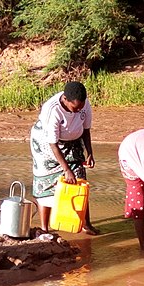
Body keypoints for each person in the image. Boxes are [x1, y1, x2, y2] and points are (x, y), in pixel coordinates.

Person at [30, 81, 100, 236]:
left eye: (81, 107)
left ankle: (86, 224)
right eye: (75, 108)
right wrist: (66, 169)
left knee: (80, 181)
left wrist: (90, 152)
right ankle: (45, 229)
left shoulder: (84, 103)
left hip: (74, 140)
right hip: (47, 145)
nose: (79, 111)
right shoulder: (52, 110)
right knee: (45, 185)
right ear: (66, 100)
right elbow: (53, 144)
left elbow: (86, 130)